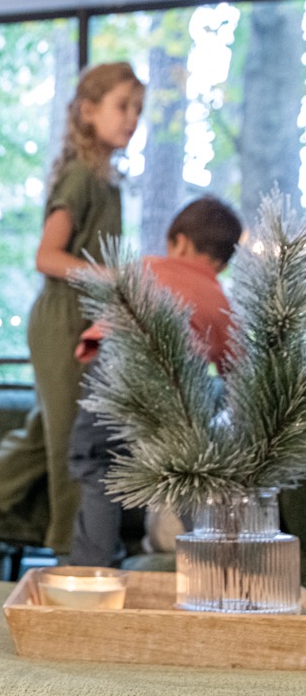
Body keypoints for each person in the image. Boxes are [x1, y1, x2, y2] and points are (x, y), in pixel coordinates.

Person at [0, 62, 145, 553]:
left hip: (87, 319)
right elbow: (46, 257)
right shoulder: (79, 177)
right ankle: (74, 554)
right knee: (79, 437)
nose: (131, 119)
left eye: (137, 109)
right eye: (121, 106)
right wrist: (112, 276)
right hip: (63, 318)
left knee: (45, 427)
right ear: (89, 112)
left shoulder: (108, 183)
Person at [69, 195, 242, 566]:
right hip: (179, 377)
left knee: (98, 466)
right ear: (224, 261)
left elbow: (100, 331)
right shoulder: (219, 299)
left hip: (115, 366)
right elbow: (237, 370)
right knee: (184, 475)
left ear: (178, 241)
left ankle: (92, 573)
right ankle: (214, 568)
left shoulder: (143, 269)